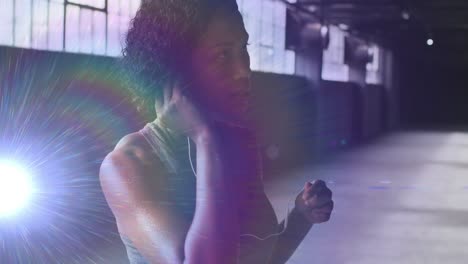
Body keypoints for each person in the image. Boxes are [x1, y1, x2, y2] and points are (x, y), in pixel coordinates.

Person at [99, 0, 334, 263]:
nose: (244, 71)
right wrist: (207, 139)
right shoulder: (127, 165)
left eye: (243, 49)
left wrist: (300, 217)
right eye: (223, 54)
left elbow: (257, 256)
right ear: (175, 67)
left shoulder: (238, 143)